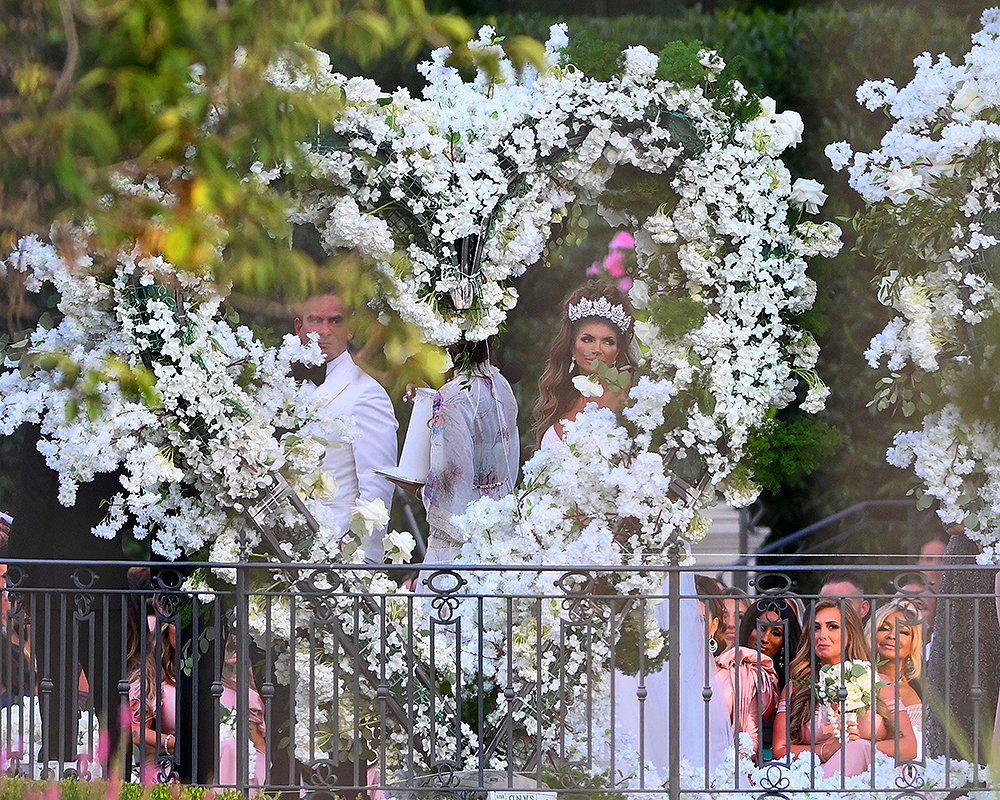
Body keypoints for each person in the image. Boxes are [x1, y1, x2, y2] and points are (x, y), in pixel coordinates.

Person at [5, 423, 130, 778]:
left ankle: (58, 770)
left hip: (55, 574)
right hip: (106, 572)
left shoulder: (45, 412)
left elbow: (34, 495)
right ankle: (118, 775)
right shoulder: (117, 413)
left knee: (56, 685)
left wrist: (19, 572)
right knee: (111, 685)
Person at [293, 291, 398, 562]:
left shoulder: (367, 393)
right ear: (299, 328)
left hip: (339, 557)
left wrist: (362, 561)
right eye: (315, 320)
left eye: (335, 321)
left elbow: (377, 487)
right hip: (280, 550)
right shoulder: (280, 385)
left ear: (351, 329)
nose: (325, 331)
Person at [773, 600, 917, 777]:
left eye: (832, 627)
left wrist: (859, 748)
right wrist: (827, 750)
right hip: (818, 775)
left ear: (850, 634)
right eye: (816, 628)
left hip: (874, 778)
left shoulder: (878, 683)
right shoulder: (797, 687)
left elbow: (910, 746)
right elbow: (780, 750)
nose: (822, 635)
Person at [419, 338, 519, 563]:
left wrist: (418, 490)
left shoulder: (452, 397)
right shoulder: (501, 384)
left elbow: (450, 487)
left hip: (463, 540)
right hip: (500, 525)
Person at [532, 279, 638, 450]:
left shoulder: (631, 402)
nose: (596, 349)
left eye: (608, 342)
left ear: (617, 351)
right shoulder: (557, 402)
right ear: (572, 347)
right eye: (588, 339)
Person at [738, 595, 804, 761]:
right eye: (760, 628)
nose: (765, 639)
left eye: (775, 632)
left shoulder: (795, 680)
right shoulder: (727, 667)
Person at [868, 599, 924, 751]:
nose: (892, 635)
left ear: (914, 642)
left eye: (903, 631)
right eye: (884, 628)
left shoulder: (923, 688)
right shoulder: (857, 684)